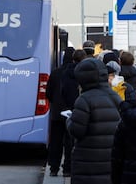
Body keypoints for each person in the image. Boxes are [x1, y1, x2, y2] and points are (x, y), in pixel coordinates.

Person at [66, 58, 121, 184]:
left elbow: (77, 131)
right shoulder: (115, 96)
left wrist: (69, 120)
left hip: (87, 163)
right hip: (110, 161)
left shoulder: (84, 99)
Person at [45, 47, 75, 176]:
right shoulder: (76, 73)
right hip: (71, 112)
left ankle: (53, 168)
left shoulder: (55, 73)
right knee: (69, 142)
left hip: (57, 113)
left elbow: (48, 93)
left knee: (55, 141)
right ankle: (67, 168)